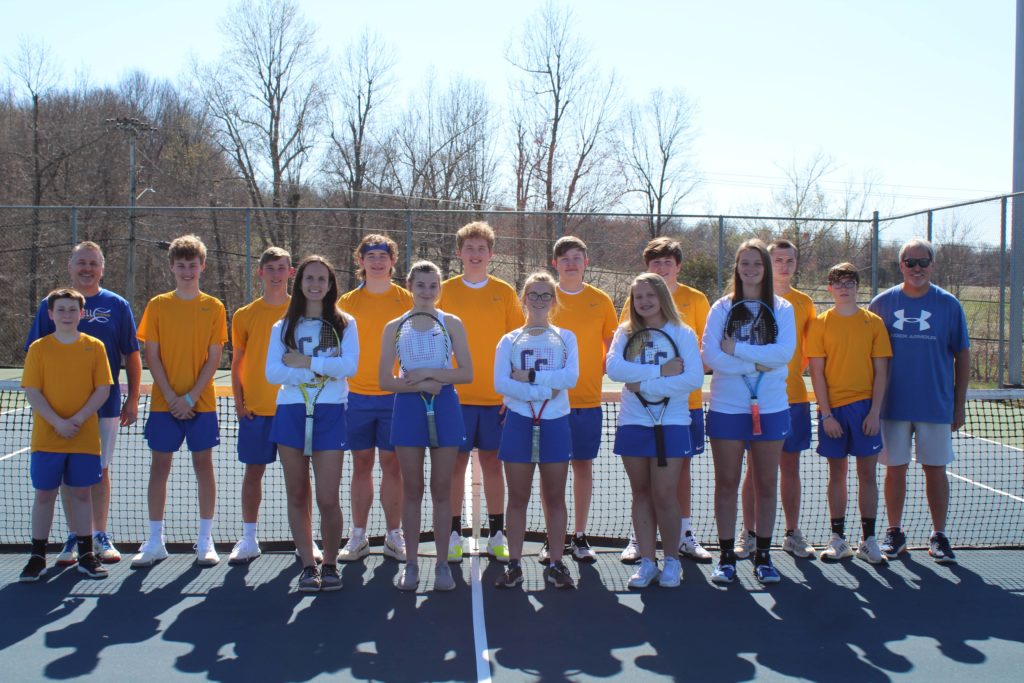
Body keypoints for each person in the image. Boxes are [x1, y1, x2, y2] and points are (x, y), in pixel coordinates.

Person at [25, 241, 141, 565]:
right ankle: (75, 536)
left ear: (102, 268)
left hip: (104, 406)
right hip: (57, 411)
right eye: (81, 262)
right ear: (70, 266)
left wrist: (132, 398)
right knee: (66, 474)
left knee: (99, 470)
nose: (87, 268)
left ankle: (99, 534)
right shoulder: (52, 305)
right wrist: (52, 411)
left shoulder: (117, 305)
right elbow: (36, 352)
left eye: (93, 263)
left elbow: (131, 354)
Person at [869, 238, 969, 564]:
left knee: (935, 471)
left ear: (932, 265)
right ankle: (894, 533)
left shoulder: (949, 305)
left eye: (923, 262)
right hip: (892, 407)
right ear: (901, 266)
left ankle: (939, 535)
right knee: (894, 471)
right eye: (910, 262)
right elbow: (867, 354)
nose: (916, 268)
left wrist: (958, 405)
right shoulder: (882, 304)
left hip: (936, 406)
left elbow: (962, 356)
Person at [702, 239, 795, 585]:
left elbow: (783, 354)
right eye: (745, 263)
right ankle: (726, 556)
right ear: (737, 268)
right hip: (727, 408)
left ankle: (764, 556)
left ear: (766, 268)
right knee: (726, 483)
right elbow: (712, 356)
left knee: (766, 483)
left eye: (757, 263)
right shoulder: (721, 308)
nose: (751, 269)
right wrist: (757, 362)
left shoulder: (782, 308)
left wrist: (738, 351)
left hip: (771, 408)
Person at [132, 234, 227, 569]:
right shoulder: (158, 305)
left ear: (202, 266)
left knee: (204, 467)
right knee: (160, 468)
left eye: (193, 265)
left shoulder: (214, 307)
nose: (187, 271)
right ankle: (155, 541)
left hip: (201, 404)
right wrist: (173, 397)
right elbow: (151, 355)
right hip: (164, 404)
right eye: (181, 265)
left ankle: (205, 540)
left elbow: (214, 358)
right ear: (172, 267)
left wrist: (190, 397)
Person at [266, 255, 359, 592]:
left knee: (328, 498)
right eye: (309, 278)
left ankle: (330, 563)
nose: (316, 284)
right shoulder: (282, 327)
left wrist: (305, 363)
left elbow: (348, 367)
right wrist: (320, 371)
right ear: (300, 283)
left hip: (330, 413)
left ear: (331, 284)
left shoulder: (345, 323)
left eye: (322, 279)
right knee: (296, 494)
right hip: (291, 412)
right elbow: (273, 372)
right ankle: (308, 565)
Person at [619, 237, 713, 564]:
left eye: (667, 262)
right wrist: (660, 375)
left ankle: (682, 538)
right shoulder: (632, 312)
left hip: (680, 411)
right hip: (639, 413)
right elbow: (622, 360)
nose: (661, 267)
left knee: (675, 480)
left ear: (677, 267)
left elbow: (698, 362)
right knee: (644, 489)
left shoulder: (694, 304)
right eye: (655, 262)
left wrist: (653, 384)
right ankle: (641, 544)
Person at [607, 274, 704, 589]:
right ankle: (648, 562)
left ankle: (672, 561)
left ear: (662, 296)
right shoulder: (625, 332)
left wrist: (643, 383)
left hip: (672, 423)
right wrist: (661, 371)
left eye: (650, 295)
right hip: (633, 422)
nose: (644, 302)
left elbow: (692, 379)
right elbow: (615, 369)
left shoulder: (683, 333)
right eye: (638, 297)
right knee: (641, 493)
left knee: (665, 494)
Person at [380, 261, 473, 592]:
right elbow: (385, 380)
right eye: (420, 285)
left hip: (445, 406)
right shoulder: (394, 326)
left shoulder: (452, 323)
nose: (427, 291)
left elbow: (466, 373)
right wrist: (422, 384)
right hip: (408, 409)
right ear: (409, 286)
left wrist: (430, 376)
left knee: (442, 489)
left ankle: (442, 565)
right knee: (413, 489)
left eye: (433, 285)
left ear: (440, 288)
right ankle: (411, 565)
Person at [230, 247, 325, 565]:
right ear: (260, 272)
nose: (275, 274)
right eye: (269, 268)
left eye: (281, 268)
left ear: (291, 272)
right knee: (253, 473)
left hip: (296, 408)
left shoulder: (304, 313)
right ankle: (249, 539)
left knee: (301, 480)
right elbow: (238, 363)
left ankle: (305, 541)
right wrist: (240, 403)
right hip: (256, 410)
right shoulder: (244, 315)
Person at [438, 222, 524, 563]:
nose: (475, 254)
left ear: (491, 254)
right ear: (459, 253)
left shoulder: (505, 292)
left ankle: (497, 534)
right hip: (453, 399)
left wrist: (511, 394)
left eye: (481, 249)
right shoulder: (444, 291)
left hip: (495, 400)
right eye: (469, 248)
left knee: (492, 464)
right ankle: (454, 534)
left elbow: (516, 345)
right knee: (455, 465)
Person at [20, 288, 113, 582]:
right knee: (44, 495)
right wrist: (57, 422)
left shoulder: (95, 347)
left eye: (72, 310)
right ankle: (37, 557)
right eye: (60, 309)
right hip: (47, 438)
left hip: (84, 438)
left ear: (81, 314)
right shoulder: (39, 348)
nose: (67, 315)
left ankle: (86, 555)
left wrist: (78, 419)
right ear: (50, 314)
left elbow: (102, 389)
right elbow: (32, 391)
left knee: (82, 494)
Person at [493, 272, 580, 588]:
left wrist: (529, 379)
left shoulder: (566, 338)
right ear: (524, 299)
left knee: (555, 497)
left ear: (554, 301)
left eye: (546, 295)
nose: (540, 300)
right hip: (518, 422)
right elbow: (501, 383)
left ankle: (557, 563)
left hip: (555, 424)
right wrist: (544, 390)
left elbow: (570, 378)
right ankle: (514, 565)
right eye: (534, 294)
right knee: (517, 497)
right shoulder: (509, 340)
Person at [738, 239, 818, 559]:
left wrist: (788, 376)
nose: (784, 266)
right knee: (753, 470)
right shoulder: (751, 300)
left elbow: (805, 352)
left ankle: (792, 533)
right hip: (757, 399)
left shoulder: (804, 303)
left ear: (796, 264)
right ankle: (748, 533)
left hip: (793, 398)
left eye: (790, 260)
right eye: (778, 260)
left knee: (790, 467)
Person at [807, 263, 891, 564]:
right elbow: (816, 372)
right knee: (837, 474)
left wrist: (875, 412)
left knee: (868, 474)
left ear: (858, 287)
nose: (844, 288)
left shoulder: (873, 323)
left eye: (849, 283)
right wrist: (827, 415)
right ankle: (838, 539)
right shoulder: (819, 324)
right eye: (838, 283)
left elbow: (881, 372)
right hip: (833, 412)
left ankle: (869, 541)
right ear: (830, 288)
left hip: (865, 409)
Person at [337, 235, 412, 563]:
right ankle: (359, 536)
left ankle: (394, 535)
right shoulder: (346, 303)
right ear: (361, 261)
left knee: (392, 465)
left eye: (383, 256)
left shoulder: (407, 300)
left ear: (393, 261)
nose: (378, 262)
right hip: (355, 397)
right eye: (371, 256)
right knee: (361, 464)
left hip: (395, 397)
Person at [547, 236, 617, 564]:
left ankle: (579, 535)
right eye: (565, 258)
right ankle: (554, 537)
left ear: (586, 262)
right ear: (555, 264)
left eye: (577, 257)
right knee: (552, 471)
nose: (571, 263)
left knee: (583, 467)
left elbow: (610, 348)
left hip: (587, 401)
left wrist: (591, 374)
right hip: (549, 402)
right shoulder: (544, 296)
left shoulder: (601, 300)